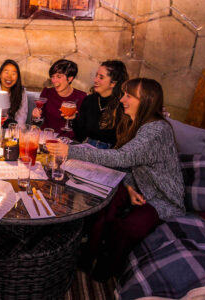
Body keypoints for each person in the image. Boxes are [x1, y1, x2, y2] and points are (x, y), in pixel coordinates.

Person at [47, 78, 185, 280]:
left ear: (146, 100)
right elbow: (132, 162)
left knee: (127, 229)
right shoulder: (136, 123)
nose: (122, 100)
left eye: (129, 96)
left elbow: (122, 157)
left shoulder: (156, 130)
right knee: (103, 205)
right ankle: (85, 257)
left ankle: (105, 272)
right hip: (139, 188)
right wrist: (129, 185)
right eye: (123, 94)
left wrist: (71, 151)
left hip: (162, 200)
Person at [72, 60, 129, 149]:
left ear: (113, 83)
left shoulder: (122, 105)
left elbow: (123, 141)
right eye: (96, 76)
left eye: (101, 77)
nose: (95, 80)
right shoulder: (89, 100)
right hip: (85, 148)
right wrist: (73, 119)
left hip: (109, 154)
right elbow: (80, 136)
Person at [31, 59, 86, 138]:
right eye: (52, 76)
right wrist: (35, 116)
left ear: (70, 78)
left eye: (58, 77)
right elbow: (38, 121)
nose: (54, 80)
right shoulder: (47, 92)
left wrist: (74, 119)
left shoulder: (81, 97)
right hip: (46, 137)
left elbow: (82, 129)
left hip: (68, 141)